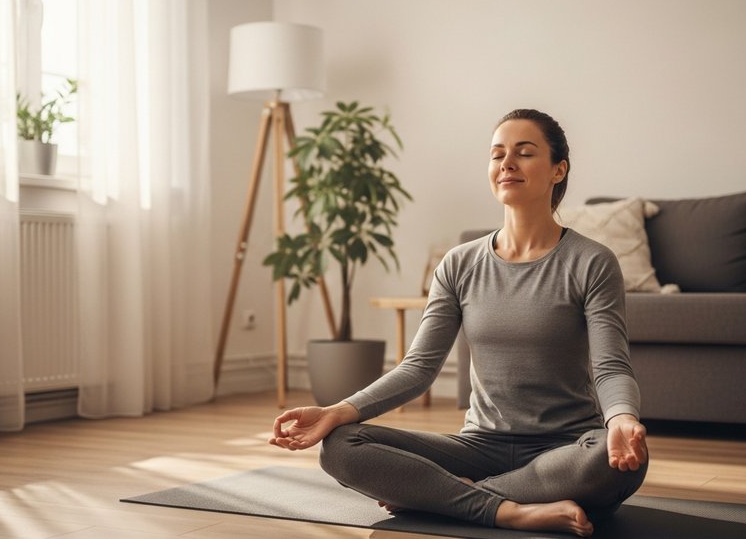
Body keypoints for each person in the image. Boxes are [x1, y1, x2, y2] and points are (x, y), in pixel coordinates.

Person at [269, 109, 648, 537]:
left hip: (564, 449)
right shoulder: (459, 263)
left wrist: (621, 419)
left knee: (616, 461)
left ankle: (454, 498)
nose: (507, 163)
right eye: (497, 154)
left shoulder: (591, 262)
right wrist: (336, 411)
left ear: (558, 169)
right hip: (476, 446)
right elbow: (418, 369)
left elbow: (611, 367)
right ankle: (510, 510)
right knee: (340, 445)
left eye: (524, 153)